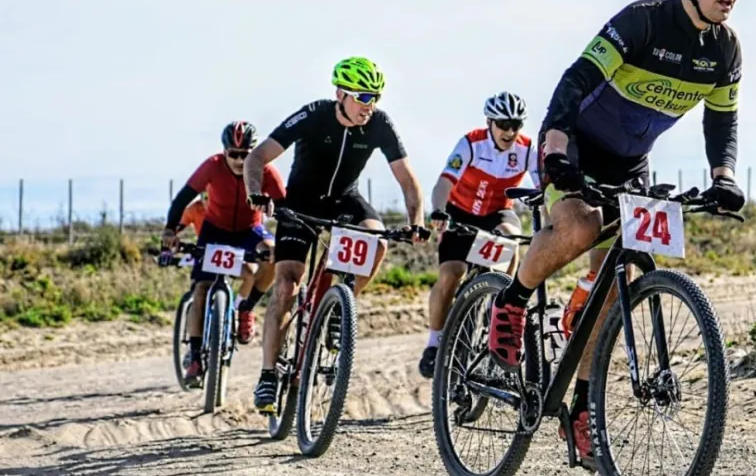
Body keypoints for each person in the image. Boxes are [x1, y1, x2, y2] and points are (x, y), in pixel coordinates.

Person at [487, 0, 751, 462]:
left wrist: (723, 176)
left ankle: (582, 405)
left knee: (620, 279)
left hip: (631, 161)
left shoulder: (725, 51)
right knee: (581, 226)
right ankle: (510, 303)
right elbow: (575, 81)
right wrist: (557, 144)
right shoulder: (643, 20)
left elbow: (722, 122)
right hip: (575, 142)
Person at [244, 56, 426, 413]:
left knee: (376, 239)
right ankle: (268, 374)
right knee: (286, 284)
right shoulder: (313, 114)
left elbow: (407, 178)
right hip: (301, 203)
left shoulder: (379, 124)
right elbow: (257, 158)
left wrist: (416, 220)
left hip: (345, 200)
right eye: (361, 96)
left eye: (375, 97)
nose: (368, 105)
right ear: (340, 93)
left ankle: (339, 307)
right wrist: (256, 192)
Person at [419, 92, 539, 378]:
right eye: (503, 124)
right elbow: (443, 183)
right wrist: (438, 210)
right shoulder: (471, 142)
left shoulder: (526, 149)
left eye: (515, 124)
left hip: (497, 213)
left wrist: (549, 223)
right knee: (451, 273)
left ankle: (500, 298)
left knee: (511, 237)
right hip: (459, 212)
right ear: (490, 122)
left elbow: (543, 190)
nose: (510, 132)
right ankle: (434, 342)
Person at [161, 121, 286, 385]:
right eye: (234, 154)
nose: (240, 161)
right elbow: (182, 198)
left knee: (275, 253)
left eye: (246, 155)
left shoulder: (266, 170)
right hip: (215, 230)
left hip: (250, 230)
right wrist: (170, 230)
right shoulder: (212, 165)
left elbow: (286, 207)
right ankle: (195, 355)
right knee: (201, 289)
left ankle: (247, 306)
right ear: (224, 151)